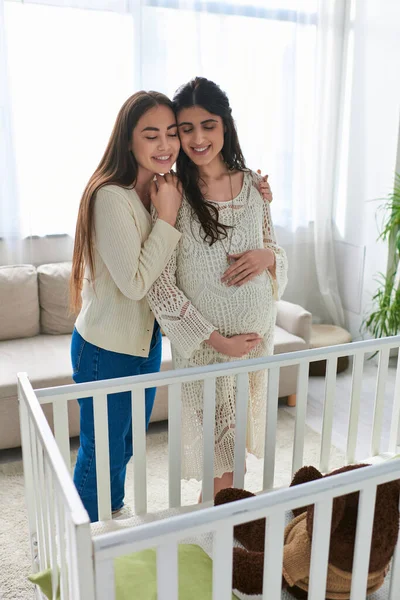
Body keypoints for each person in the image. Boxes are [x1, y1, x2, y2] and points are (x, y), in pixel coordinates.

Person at [147, 77, 288, 499]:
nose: (197, 138)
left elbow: (274, 249)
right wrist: (217, 341)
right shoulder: (174, 194)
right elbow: (161, 287)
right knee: (218, 461)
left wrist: (268, 259)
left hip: (254, 346)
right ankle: (215, 537)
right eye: (186, 128)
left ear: (225, 125)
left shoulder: (253, 185)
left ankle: (225, 535)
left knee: (235, 459)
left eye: (207, 125)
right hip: (207, 352)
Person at [69, 91, 182, 522]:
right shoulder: (111, 197)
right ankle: (78, 544)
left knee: (126, 444)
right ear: (128, 141)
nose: (165, 145)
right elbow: (135, 283)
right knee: (102, 453)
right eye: (151, 135)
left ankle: (109, 519)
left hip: (144, 344)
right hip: (105, 350)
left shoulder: (155, 191)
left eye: (171, 133)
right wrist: (167, 218)